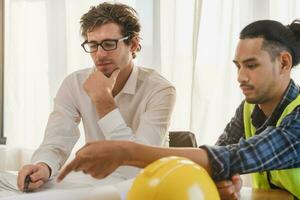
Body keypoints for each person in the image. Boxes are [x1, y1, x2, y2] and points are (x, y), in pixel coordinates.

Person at [57, 19, 300, 200]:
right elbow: (220, 156)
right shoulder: (248, 108)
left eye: (251, 65)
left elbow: (237, 156)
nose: (241, 77)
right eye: (238, 66)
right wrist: (225, 180)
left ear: (284, 63)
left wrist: (124, 151)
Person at [17, 2, 176, 192]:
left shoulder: (161, 89)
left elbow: (136, 167)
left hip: (144, 187)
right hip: (94, 185)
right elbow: (56, 141)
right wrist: (43, 165)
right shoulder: (74, 83)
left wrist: (103, 100)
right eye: (93, 45)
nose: (99, 55)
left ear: (132, 44)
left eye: (109, 44)